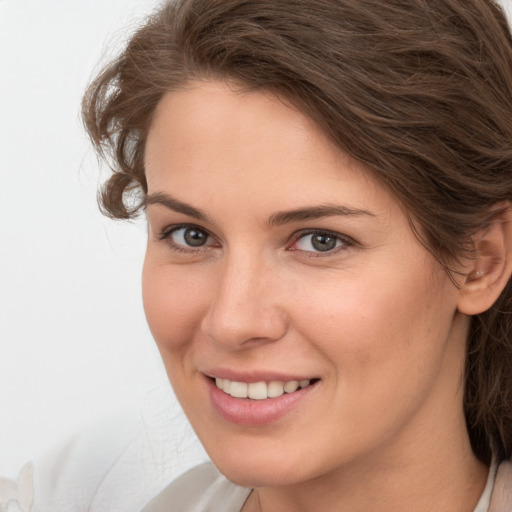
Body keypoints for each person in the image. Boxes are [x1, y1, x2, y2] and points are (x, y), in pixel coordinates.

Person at [4, 0, 512, 510]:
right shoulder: (66, 494)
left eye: (320, 240)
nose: (231, 321)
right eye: (191, 235)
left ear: (481, 261)